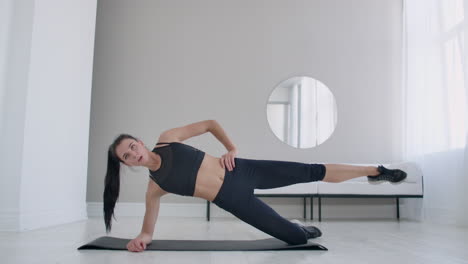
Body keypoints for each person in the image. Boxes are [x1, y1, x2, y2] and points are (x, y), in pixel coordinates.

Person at [103, 120, 407, 252]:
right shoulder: (155, 187)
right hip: (235, 202)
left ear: (140, 141)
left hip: (243, 171)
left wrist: (231, 149)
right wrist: (140, 239)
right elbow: (147, 229)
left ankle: (376, 170)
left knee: (311, 170)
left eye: (132, 146)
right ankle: (296, 226)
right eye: (127, 157)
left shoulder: (168, 138)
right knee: (296, 239)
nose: (134, 154)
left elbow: (209, 123)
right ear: (127, 164)